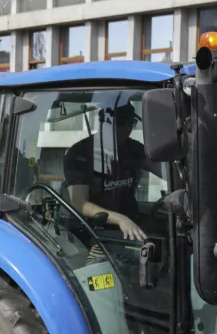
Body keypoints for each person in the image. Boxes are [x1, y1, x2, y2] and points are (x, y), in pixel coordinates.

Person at [63, 103, 161, 242]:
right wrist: (120, 219)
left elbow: (165, 171)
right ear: (104, 121)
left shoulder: (133, 149)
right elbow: (79, 203)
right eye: (121, 122)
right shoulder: (80, 153)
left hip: (130, 225)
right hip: (95, 231)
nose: (127, 128)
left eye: (131, 123)